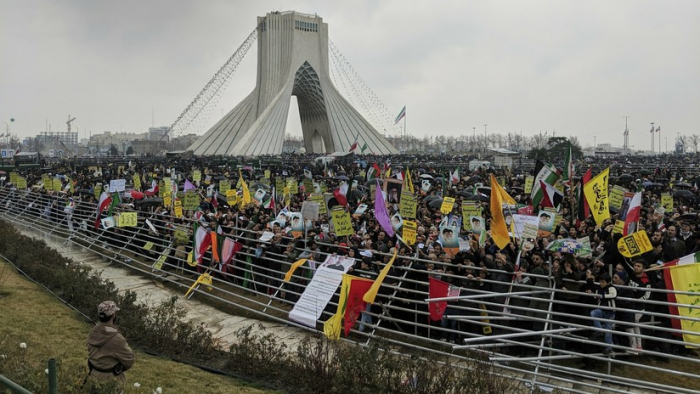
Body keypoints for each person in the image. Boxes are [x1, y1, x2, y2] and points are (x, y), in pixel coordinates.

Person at [86, 301, 134, 387]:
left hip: (92, 376)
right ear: (113, 315)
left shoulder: (92, 332)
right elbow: (129, 360)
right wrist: (118, 368)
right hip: (111, 381)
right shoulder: (117, 338)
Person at [589, 273, 617, 355]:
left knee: (608, 330)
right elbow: (596, 296)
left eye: (603, 282)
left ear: (608, 282)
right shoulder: (599, 288)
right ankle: (600, 330)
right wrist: (592, 293)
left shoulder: (611, 287)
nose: (601, 284)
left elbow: (613, 294)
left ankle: (609, 348)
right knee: (593, 313)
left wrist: (602, 296)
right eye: (600, 282)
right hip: (602, 310)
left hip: (610, 312)